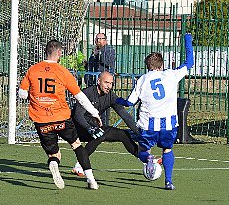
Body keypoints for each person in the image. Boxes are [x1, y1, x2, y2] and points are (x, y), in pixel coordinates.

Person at [18, 39, 102, 190]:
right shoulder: (63, 71)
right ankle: (91, 180)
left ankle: (54, 165)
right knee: (76, 145)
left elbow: (22, 94)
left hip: (41, 120)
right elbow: (80, 96)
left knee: (54, 154)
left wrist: (35, 94)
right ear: (59, 53)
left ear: (46, 52)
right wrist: (94, 112)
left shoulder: (33, 69)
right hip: (61, 117)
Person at [115, 33, 194, 190]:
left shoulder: (142, 80)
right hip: (169, 125)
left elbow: (129, 102)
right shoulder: (171, 74)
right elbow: (189, 62)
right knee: (167, 149)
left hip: (148, 125)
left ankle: (149, 158)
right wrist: (187, 40)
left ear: (147, 66)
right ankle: (168, 181)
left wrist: (116, 100)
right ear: (161, 65)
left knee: (143, 150)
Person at [70, 71, 140, 176]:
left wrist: (139, 132)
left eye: (111, 83)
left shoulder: (110, 96)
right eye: (106, 82)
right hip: (78, 129)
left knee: (123, 135)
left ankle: (146, 159)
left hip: (94, 128)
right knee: (100, 133)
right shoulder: (87, 93)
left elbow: (125, 115)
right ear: (98, 81)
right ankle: (80, 165)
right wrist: (90, 128)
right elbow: (78, 116)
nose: (109, 86)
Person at [86, 33, 116, 126]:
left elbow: (108, 62)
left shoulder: (109, 50)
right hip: (93, 82)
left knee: (103, 105)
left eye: (101, 39)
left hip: (104, 83)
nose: (98, 41)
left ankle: (104, 126)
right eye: (97, 39)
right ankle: (94, 125)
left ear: (105, 40)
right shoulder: (94, 51)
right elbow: (91, 66)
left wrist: (100, 53)